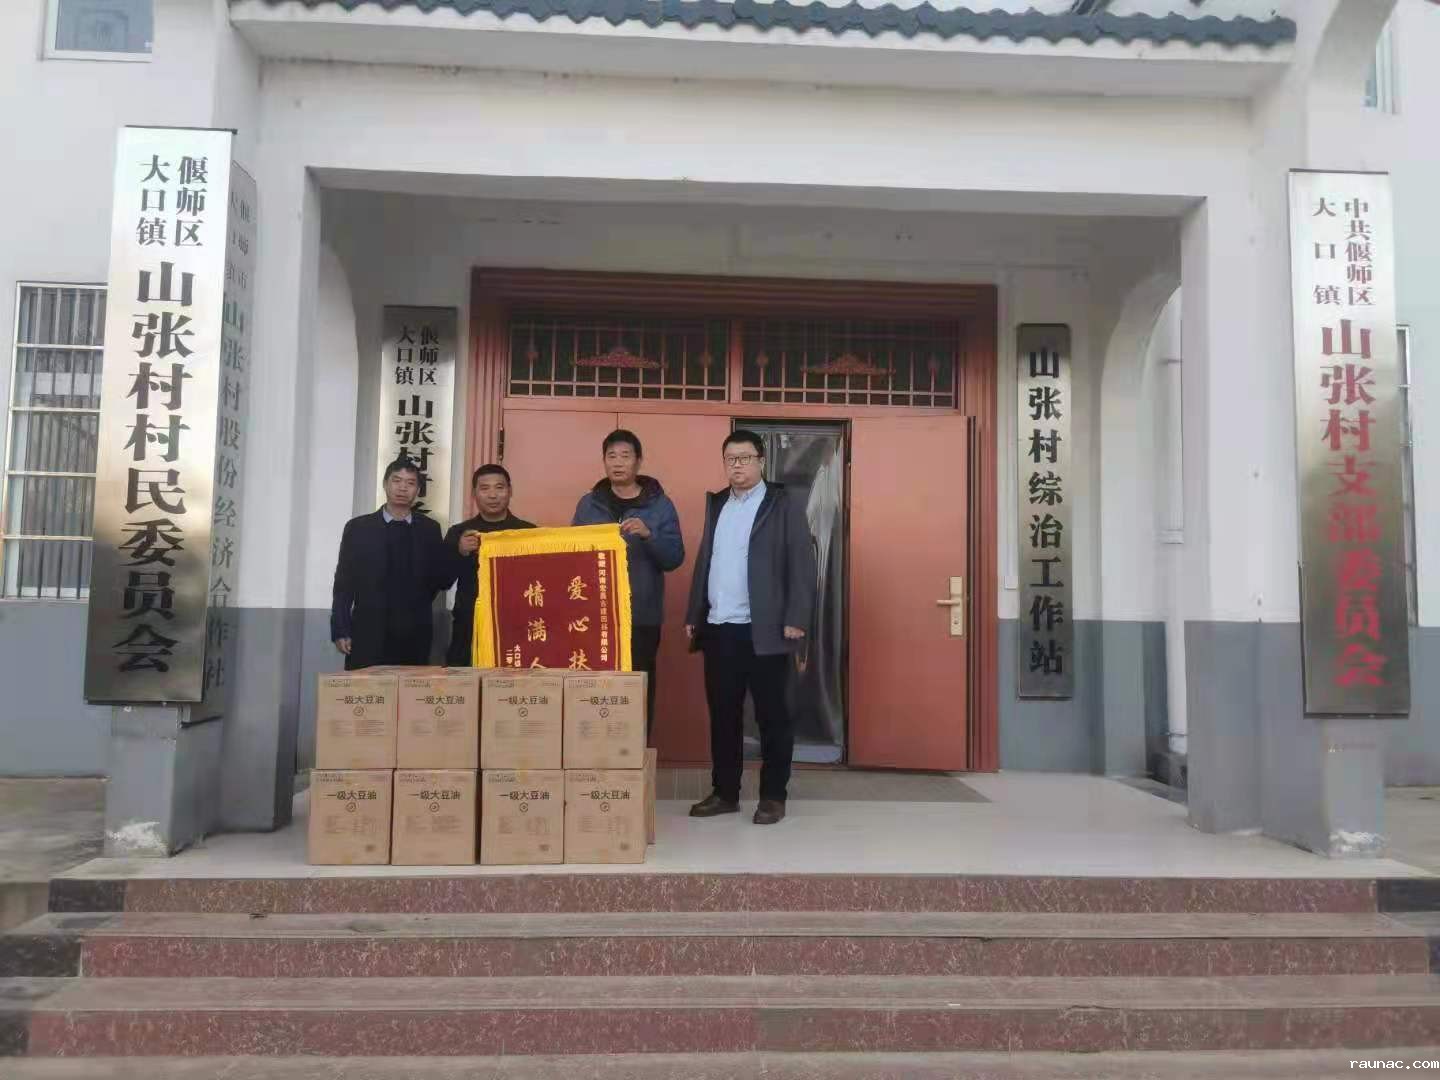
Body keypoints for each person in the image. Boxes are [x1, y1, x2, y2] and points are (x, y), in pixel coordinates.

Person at [684, 430, 816, 826]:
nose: (737, 465)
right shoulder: (718, 503)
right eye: (730, 459)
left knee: (773, 717)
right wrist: (694, 613)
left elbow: (801, 562)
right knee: (723, 716)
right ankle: (725, 793)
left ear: (761, 461)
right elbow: (706, 560)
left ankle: (773, 796)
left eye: (744, 458)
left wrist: (796, 617)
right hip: (720, 627)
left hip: (767, 629)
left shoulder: (782, 503)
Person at [571, 429, 684, 739]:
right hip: (595, 619)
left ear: (639, 461)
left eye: (625, 456)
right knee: (595, 692)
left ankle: (634, 755)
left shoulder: (660, 505)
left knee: (637, 692)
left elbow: (674, 558)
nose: (618, 462)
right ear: (603, 461)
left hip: (640, 617)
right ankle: (596, 755)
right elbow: (573, 556)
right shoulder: (588, 504)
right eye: (611, 456)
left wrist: (649, 535)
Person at [331, 457, 453, 670]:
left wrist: (458, 552)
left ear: (418, 490)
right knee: (367, 689)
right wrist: (341, 629)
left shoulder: (429, 529)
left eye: (410, 483)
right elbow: (344, 583)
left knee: (411, 689)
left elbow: (438, 581)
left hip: (414, 632)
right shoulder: (358, 528)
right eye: (397, 481)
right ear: (385, 484)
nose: (403, 488)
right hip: (368, 630)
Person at [442, 464, 535, 666]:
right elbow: (443, 581)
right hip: (469, 628)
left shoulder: (528, 532)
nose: (492, 495)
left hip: (517, 627)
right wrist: (460, 552)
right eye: (484, 488)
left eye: (499, 487)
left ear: (510, 491)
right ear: (474, 494)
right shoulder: (459, 533)